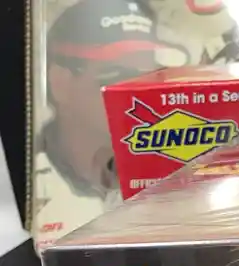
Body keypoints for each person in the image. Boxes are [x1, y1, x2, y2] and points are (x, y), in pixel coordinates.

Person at [33, 0, 184, 250]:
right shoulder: (39, 187)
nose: (139, 93)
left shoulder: (169, 168)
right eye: (118, 76)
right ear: (60, 83)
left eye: (150, 75)